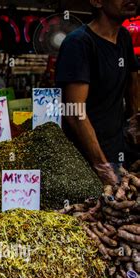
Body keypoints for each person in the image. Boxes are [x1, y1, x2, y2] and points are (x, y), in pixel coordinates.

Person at [56, 0, 139, 185]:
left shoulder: (123, 37)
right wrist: (102, 167)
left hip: (117, 151)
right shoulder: (79, 43)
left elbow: (133, 81)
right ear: (97, 1)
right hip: (83, 163)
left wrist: (134, 122)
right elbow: (74, 112)